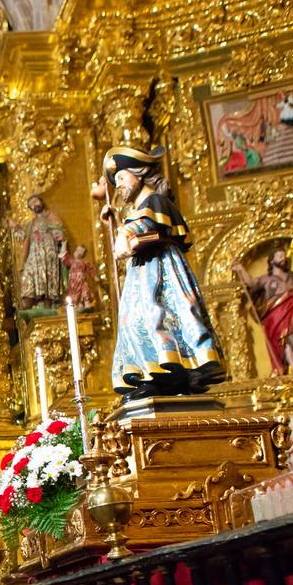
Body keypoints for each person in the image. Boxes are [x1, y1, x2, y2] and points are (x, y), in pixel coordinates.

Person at [100, 145, 225, 400]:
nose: (119, 186)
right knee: (135, 319)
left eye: (121, 178)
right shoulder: (138, 208)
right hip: (143, 268)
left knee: (158, 312)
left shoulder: (155, 201)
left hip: (159, 267)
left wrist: (125, 232)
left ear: (139, 173)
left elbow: (145, 223)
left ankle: (170, 371)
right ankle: (154, 371)